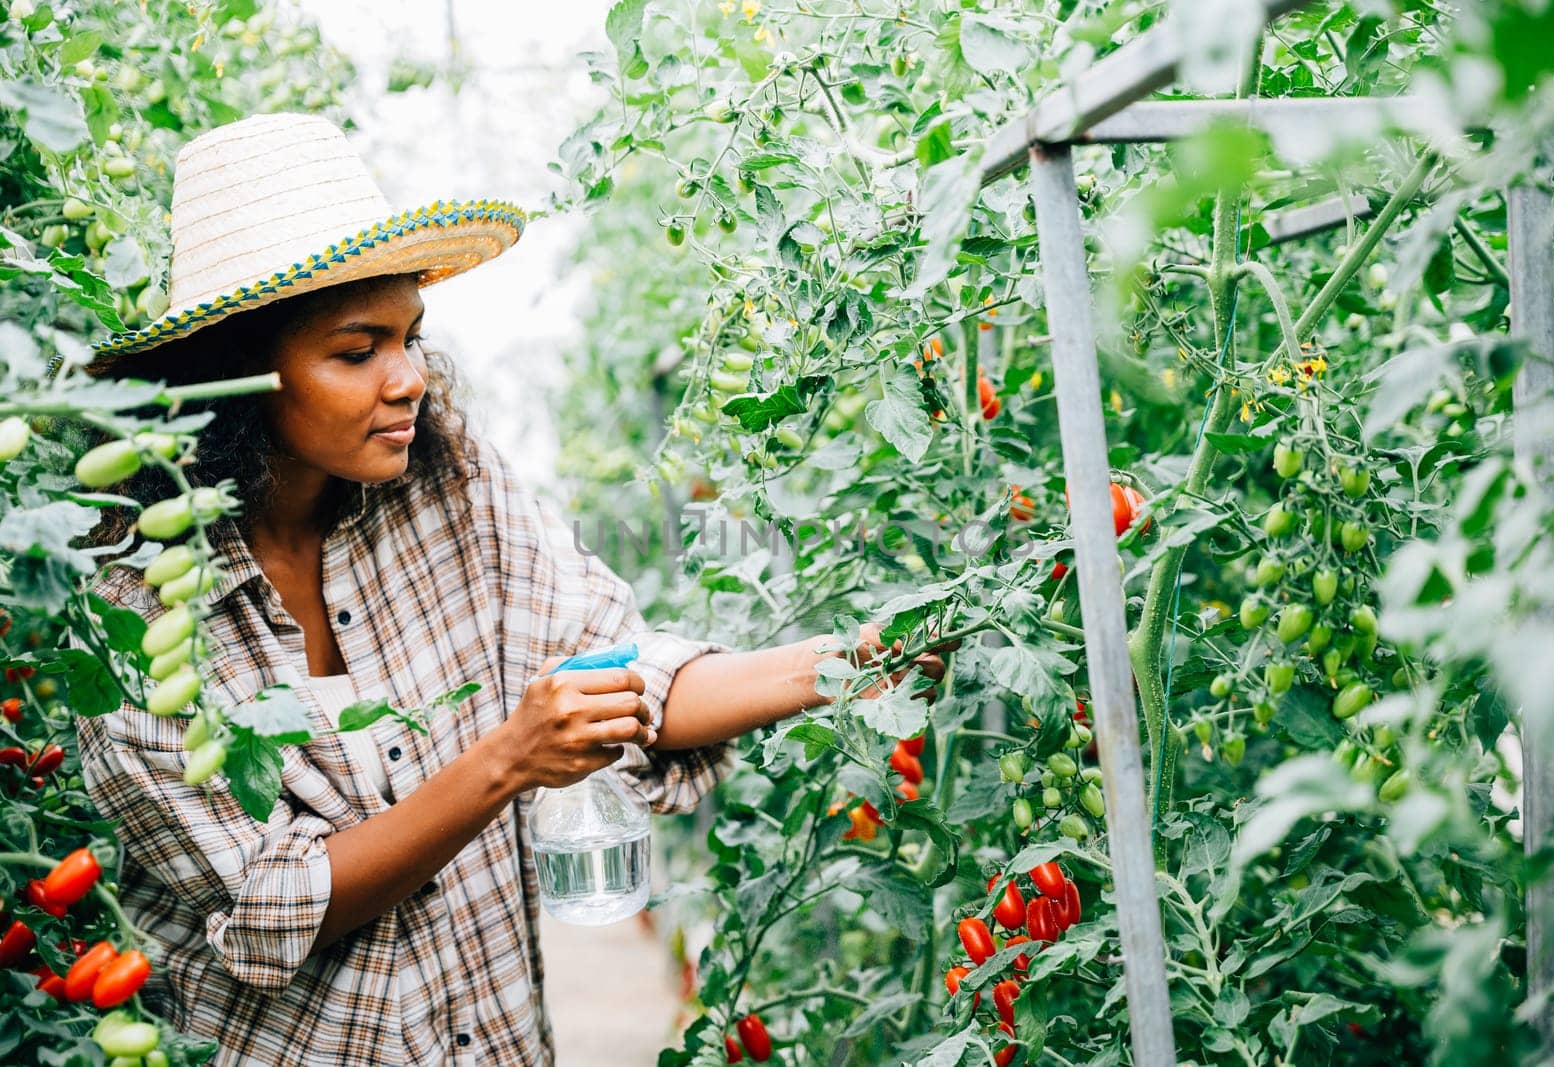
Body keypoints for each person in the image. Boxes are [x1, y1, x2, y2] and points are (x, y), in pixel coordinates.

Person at [73, 113, 954, 1065]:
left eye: (411, 336)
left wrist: (842, 663)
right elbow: (271, 901)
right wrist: (508, 758)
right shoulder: (134, 615)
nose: (407, 377)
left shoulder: (448, 492)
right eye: (357, 350)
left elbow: (620, 668)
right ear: (239, 375)